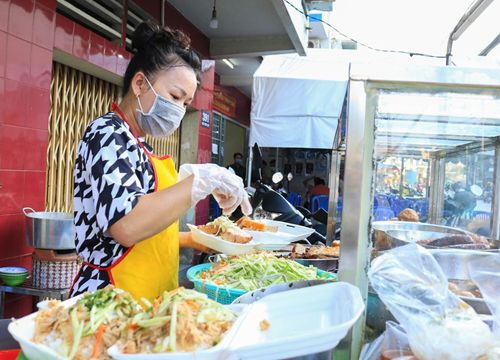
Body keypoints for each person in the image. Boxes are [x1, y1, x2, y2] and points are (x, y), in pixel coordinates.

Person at [70, 22, 251, 303]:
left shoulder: (140, 144)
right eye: (175, 97)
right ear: (140, 84)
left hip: (151, 298)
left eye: (186, 103)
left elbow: (150, 228)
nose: (179, 111)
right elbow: (127, 226)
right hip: (112, 299)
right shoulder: (107, 134)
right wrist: (200, 182)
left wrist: (194, 239)